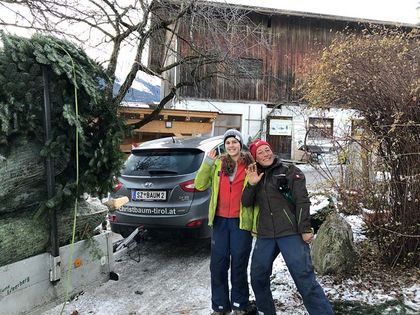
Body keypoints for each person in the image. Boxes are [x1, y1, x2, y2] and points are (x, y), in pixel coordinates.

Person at [242, 139, 334, 315]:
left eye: (267, 150)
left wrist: (305, 229)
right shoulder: (256, 175)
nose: (265, 154)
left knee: (304, 279)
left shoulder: (290, 171)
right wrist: (251, 184)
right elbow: (246, 203)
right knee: (258, 277)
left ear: (272, 151)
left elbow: (302, 201)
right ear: (255, 158)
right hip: (266, 234)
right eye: (260, 153)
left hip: (290, 232)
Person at [195, 129, 255, 315]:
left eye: (234, 142)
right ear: (224, 145)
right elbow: (200, 184)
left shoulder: (250, 165)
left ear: (240, 144)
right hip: (220, 221)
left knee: (239, 264)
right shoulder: (218, 164)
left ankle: (239, 304)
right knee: (218, 265)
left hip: (241, 222)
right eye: (228, 143)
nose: (231, 146)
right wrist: (207, 163)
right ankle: (220, 306)